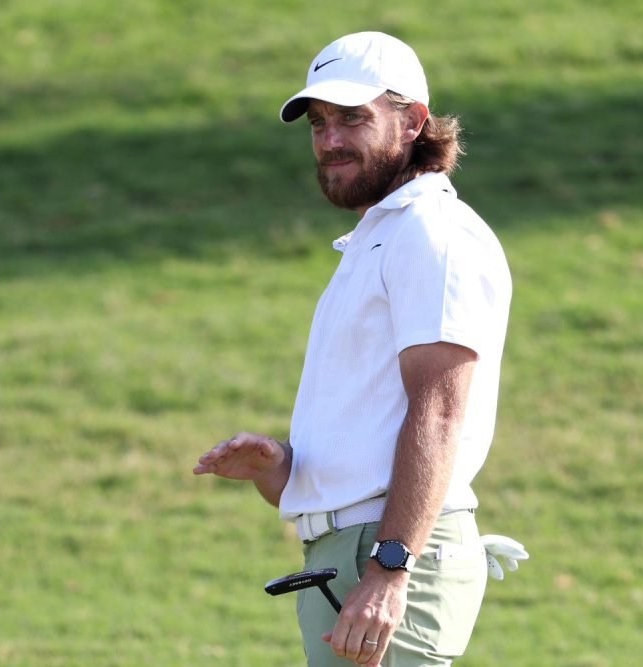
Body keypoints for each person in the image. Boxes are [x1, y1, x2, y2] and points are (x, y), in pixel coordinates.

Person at [193, 31, 512, 667]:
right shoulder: (384, 237)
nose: (329, 140)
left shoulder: (433, 234)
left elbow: (441, 413)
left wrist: (391, 569)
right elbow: (369, 444)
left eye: (352, 118)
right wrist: (279, 467)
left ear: (414, 121)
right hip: (348, 557)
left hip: (388, 556)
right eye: (318, 123)